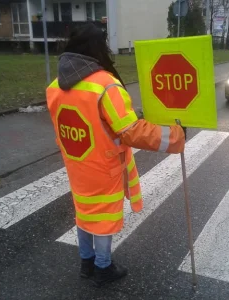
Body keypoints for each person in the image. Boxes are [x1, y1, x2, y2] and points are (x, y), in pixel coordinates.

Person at [46, 23, 186, 287]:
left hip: (77, 165)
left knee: (84, 214)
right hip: (104, 167)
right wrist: (176, 135)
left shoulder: (55, 86)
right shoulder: (106, 85)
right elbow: (131, 132)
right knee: (103, 220)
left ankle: (86, 263)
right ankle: (103, 267)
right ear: (99, 47)